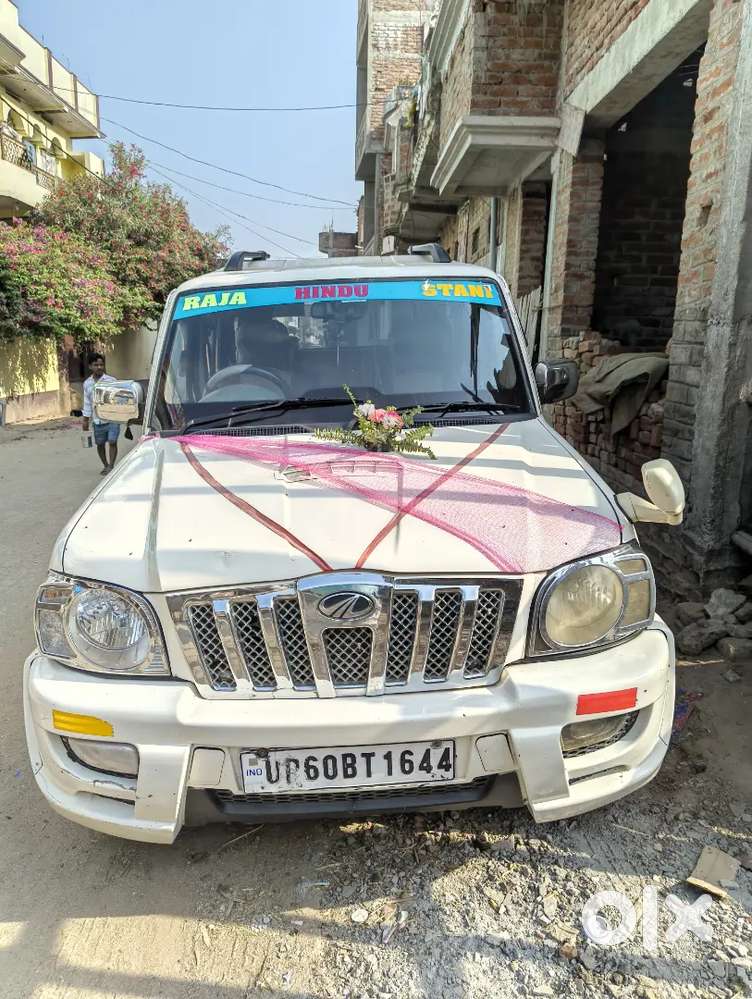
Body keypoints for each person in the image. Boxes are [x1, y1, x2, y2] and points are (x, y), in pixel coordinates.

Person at [82, 353, 120, 475]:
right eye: (96, 365)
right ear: (90, 367)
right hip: (97, 420)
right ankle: (105, 465)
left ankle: (111, 466)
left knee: (113, 441)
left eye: (101, 364)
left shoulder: (111, 381)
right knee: (100, 444)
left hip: (112, 418)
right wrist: (85, 421)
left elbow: (119, 399)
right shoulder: (87, 383)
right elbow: (87, 402)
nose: (99, 367)